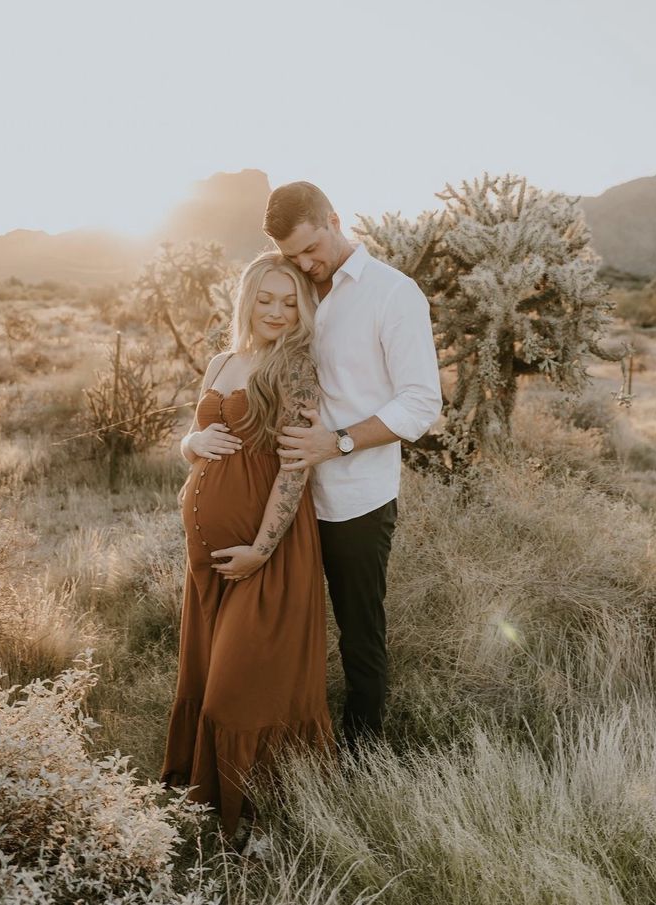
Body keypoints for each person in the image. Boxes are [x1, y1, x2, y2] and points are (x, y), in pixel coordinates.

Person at [263, 182, 443, 752]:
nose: (306, 264)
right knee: (284, 629)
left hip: (355, 498)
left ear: (335, 220)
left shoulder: (393, 294)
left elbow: (420, 404)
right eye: (293, 258)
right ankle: (286, 743)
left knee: (358, 636)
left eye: (312, 249)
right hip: (282, 496)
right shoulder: (297, 291)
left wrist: (334, 444)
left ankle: (362, 758)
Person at [160, 251, 333, 839]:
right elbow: (199, 436)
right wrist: (189, 444)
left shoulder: (296, 369)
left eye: (291, 302)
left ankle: (259, 820)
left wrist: (261, 548)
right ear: (246, 299)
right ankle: (210, 813)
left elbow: (295, 469)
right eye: (267, 299)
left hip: (268, 552)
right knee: (206, 678)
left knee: (238, 693)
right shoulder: (220, 361)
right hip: (205, 558)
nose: (278, 312)